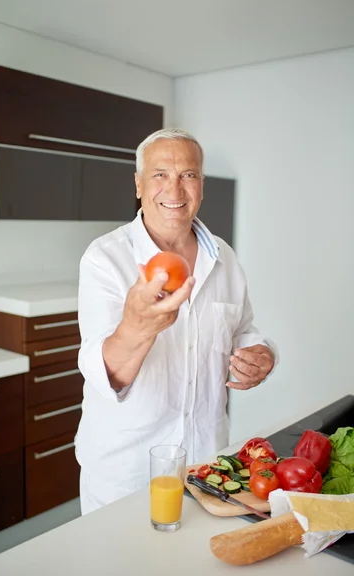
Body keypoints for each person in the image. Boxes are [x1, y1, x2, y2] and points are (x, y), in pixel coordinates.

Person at [75, 128, 278, 515]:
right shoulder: (105, 258)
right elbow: (104, 375)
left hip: (206, 466)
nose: (175, 189)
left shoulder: (225, 258)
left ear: (201, 185)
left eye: (188, 175)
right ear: (138, 184)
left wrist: (262, 354)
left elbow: (243, 329)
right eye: (160, 174)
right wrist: (137, 327)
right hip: (126, 472)